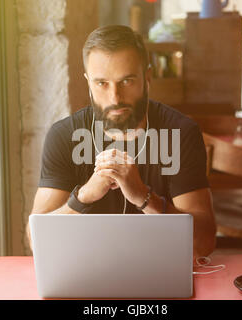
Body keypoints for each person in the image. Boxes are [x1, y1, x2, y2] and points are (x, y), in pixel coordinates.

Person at [27, 25, 216, 258]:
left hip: (159, 270)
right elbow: (36, 241)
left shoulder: (180, 133)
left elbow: (204, 243)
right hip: (86, 273)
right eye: (102, 83)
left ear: (147, 77)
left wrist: (144, 198)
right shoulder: (64, 135)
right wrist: (84, 196)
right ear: (88, 82)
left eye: (126, 81)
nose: (114, 97)